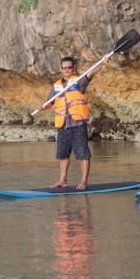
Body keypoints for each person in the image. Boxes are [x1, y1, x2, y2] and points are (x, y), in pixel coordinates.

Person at [37, 55, 108, 190]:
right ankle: (62, 180)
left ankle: (83, 181)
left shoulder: (79, 82)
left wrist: (102, 63)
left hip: (77, 125)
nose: (66, 70)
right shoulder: (56, 86)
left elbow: (90, 73)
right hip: (63, 125)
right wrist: (43, 107)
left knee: (82, 154)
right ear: (60, 69)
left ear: (73, 68)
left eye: (69, 67)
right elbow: (50, 102)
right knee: (63, 155)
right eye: (64, 68)